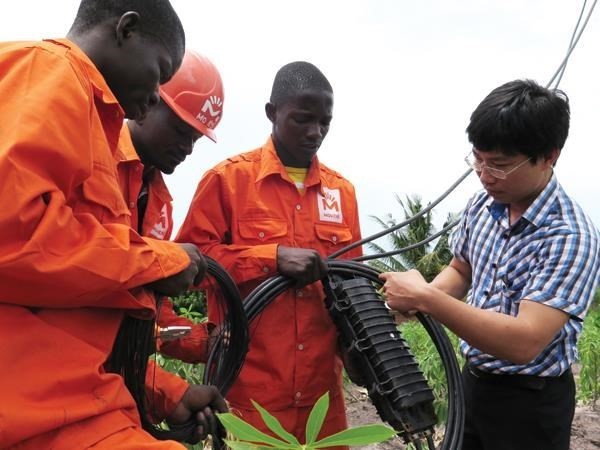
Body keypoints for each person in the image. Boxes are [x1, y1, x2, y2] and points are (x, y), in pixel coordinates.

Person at [0, 1, 226, 449]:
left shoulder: (93, 123)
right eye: (160, 72)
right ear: (126, 29)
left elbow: (98, 309)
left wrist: (167, 393)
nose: (155, 93)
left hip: (67, 397)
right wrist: (157, 263)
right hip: (31, 404)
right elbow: (14, 232)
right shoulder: (50, 70)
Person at [380, 79, 600, 450]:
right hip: (474, 385)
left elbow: (524, 341)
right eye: (477, 160)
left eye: (499, 165)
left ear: (549, 156)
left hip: (531, 403)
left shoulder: (569, 235)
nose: (484, 175)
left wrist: (427, 300)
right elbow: (461, 269)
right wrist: (418, 298)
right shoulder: (481, 206)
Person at [176, 61, 363, 444]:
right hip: (249, 401)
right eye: (302, 119)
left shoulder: (341, 193)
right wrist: (271, 258)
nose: (315, 133)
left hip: (321, 404)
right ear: (272, 113)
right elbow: (188, 267)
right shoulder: (227, 181)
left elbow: (354, 289)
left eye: (324, 122)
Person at [117, 48, 224, 363]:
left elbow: (153, 303)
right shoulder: (95, 158)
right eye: (181, 131)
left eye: (196, 139)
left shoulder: (160, 204)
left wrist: (205, 342)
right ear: (150, 101)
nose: (188, 148)